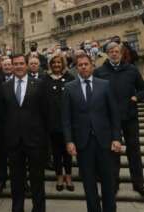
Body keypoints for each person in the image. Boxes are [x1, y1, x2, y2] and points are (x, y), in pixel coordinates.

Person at [62, 54, 122, 212]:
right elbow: (66, 118)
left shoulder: (105, 85)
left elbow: (114, 114)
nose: (83, 67)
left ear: (92, 66)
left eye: (86, 64)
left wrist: (117, 137)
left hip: (105, 142)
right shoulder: (69, 88)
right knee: (89, 185)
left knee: (109, 184)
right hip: (83, 144)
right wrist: (69, 141)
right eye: (80, 65)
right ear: (76, 68)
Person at [0, 54, 48, 212]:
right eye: (15, 64)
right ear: (11, 66)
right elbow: (2, 115)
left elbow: (46, 114)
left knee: (37, 181)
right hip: (13, 142)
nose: (18, 66)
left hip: (35, 141)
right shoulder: (5, 87)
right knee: (16, 181)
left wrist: (45, 141)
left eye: (21, 63)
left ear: (26, 65)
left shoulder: (39, 84)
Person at [94, 42, 144, 195]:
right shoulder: (100, 72)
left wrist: (136, 97)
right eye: (111, 51)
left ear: (121, 53)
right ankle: (114, 183)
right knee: (113, 152)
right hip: (110, 119)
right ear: (107, 54)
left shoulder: (131, 69)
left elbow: (142, 89)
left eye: (117, 51)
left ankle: (138, 183)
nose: (114, 53)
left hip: (130, 117)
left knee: (134, 150)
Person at [42, 53, 75, 191]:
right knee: (56, 152)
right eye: (54, 63)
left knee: (68, 152)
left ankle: (68, 176)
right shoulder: (45, 79)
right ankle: (59, 176)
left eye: (59, 62)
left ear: (63, 64)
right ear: (50, 64)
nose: (56, 65)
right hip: (52, 123)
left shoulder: (70, 78)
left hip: (68, 122)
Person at [0, 58, 13, 194]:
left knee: (19, 157)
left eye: (9, 64)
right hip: (1, 126)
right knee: (2, 156)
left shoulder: (19, 79)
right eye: (4, 65)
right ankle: (1, 180)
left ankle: (22, 181)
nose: (7, 66)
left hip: (18, 125)